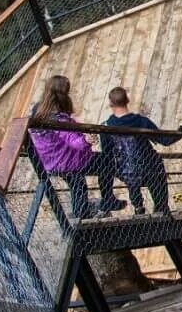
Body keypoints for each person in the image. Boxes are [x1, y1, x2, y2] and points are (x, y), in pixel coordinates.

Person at [28, 75, 126, 220]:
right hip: (67, 160)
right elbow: (73, 141)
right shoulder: (57, 119)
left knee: (77, 184)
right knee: (106, 161)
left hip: (50, 162)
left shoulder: (38, 111)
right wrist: (86, 140)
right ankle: (105, 200)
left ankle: (81, 212)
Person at [103, 87, 182, 215]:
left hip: (127, 171)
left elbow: (107, 154)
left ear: (110, 104)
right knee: (159, 193)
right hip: (150, 168)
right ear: (127, 100)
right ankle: (162, 212)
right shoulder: (141, 121)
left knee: (129, 171)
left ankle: (138, 207)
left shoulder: (106, 126)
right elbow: (165, 140)